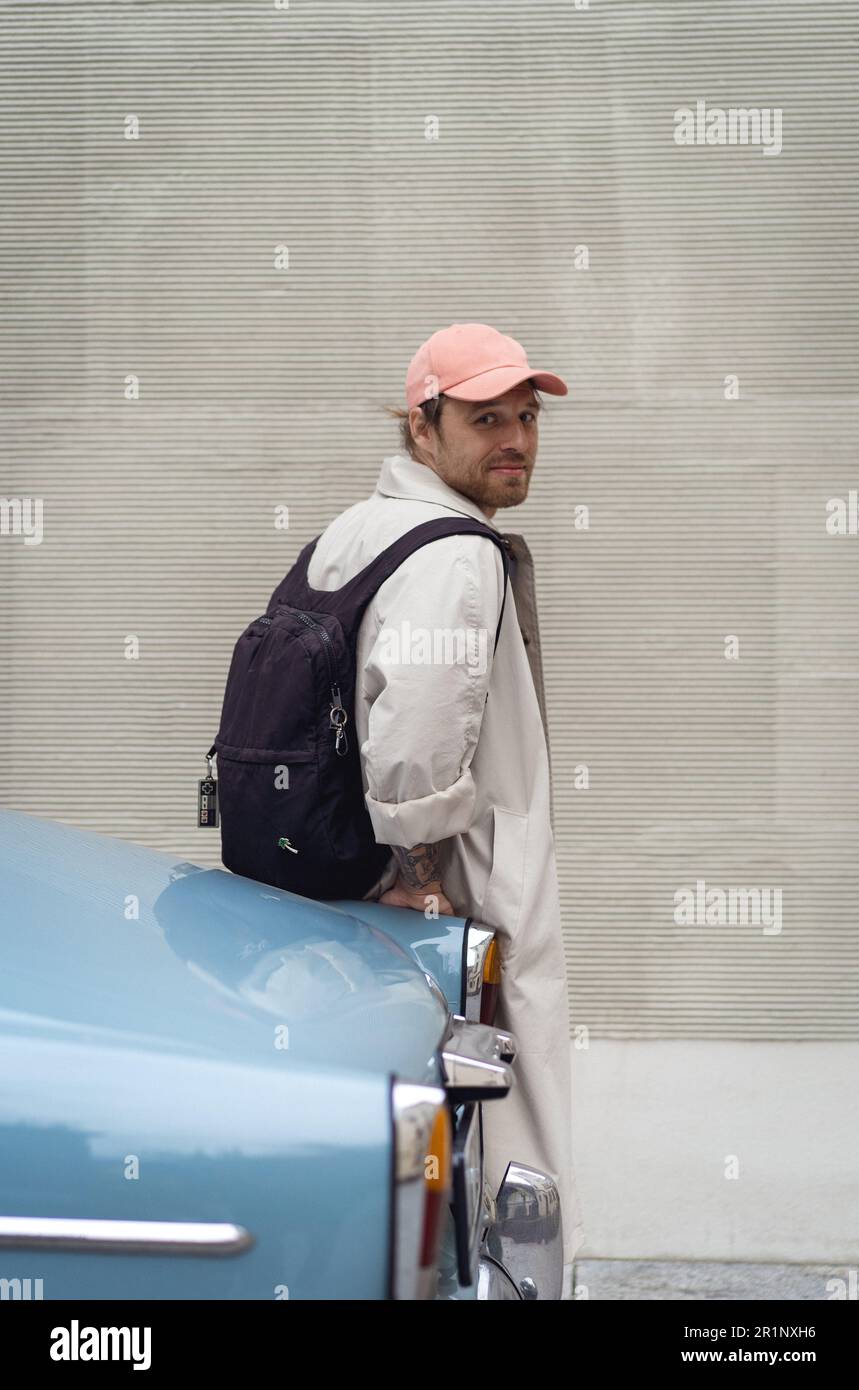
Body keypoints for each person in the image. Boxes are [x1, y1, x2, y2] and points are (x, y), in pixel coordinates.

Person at [306, 322, 583, 1298]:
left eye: (525, 417)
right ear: (422, 428)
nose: (514, 438)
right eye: (484, 419)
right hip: (465, 895)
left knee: (423, 1151)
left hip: (379, 894)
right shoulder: (454, 551)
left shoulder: (360, 525)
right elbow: (415, 734)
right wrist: (417, 875)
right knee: (512, 1142)